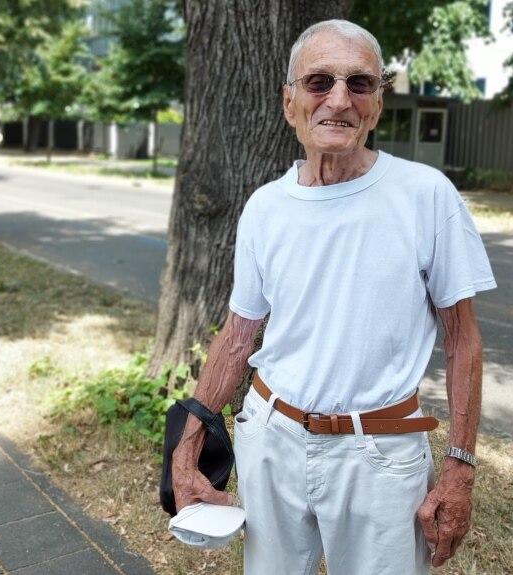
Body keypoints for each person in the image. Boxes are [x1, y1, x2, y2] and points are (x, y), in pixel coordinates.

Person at [170, 19, 496, 575]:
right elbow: (238, 336)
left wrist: (460, 469)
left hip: (382, 454)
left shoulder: (425, 195)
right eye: (320, 82)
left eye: (360, 83)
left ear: (377, 102)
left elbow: (462, 341)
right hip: (271, 440)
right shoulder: (265, 207)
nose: (339, 100)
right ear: (289, 101)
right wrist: (187, 442)